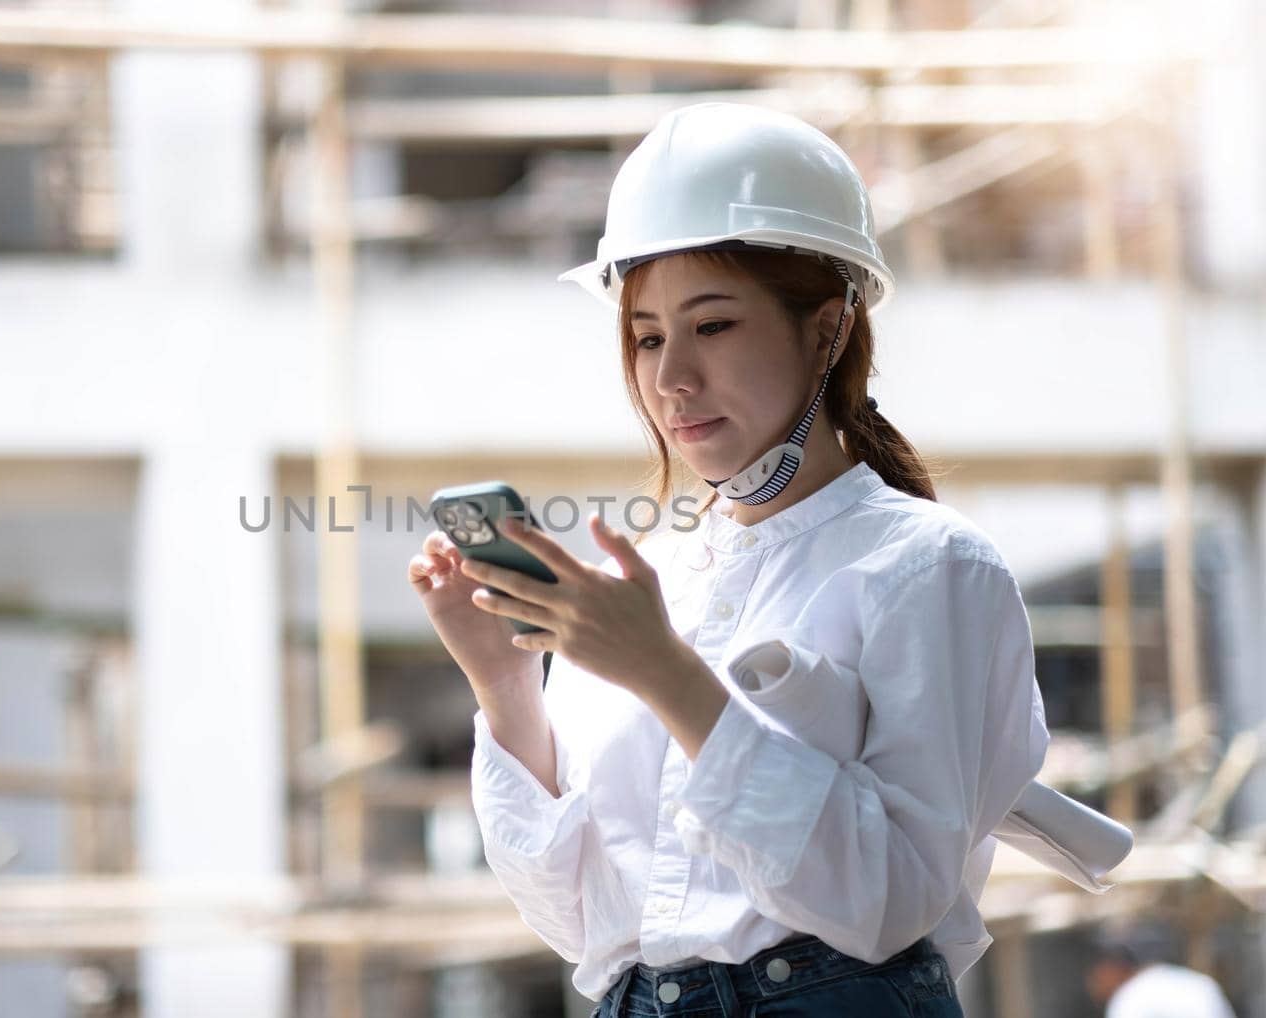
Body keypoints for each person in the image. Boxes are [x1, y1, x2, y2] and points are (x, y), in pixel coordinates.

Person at [408, 102, 1051, 1017]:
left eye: (712, 326)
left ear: (827, 329)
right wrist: (505, 682)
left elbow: (887, 901)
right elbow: (578, 921)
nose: (672, 379)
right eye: (647, 336)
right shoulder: (648, 583)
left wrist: (667, 672)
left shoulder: (926, 565)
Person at [1087, 927, 1237, 1018]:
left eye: (1099, 976)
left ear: (1116, 967)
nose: (1095, 984)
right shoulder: (1202, 983)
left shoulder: (1132, 997)